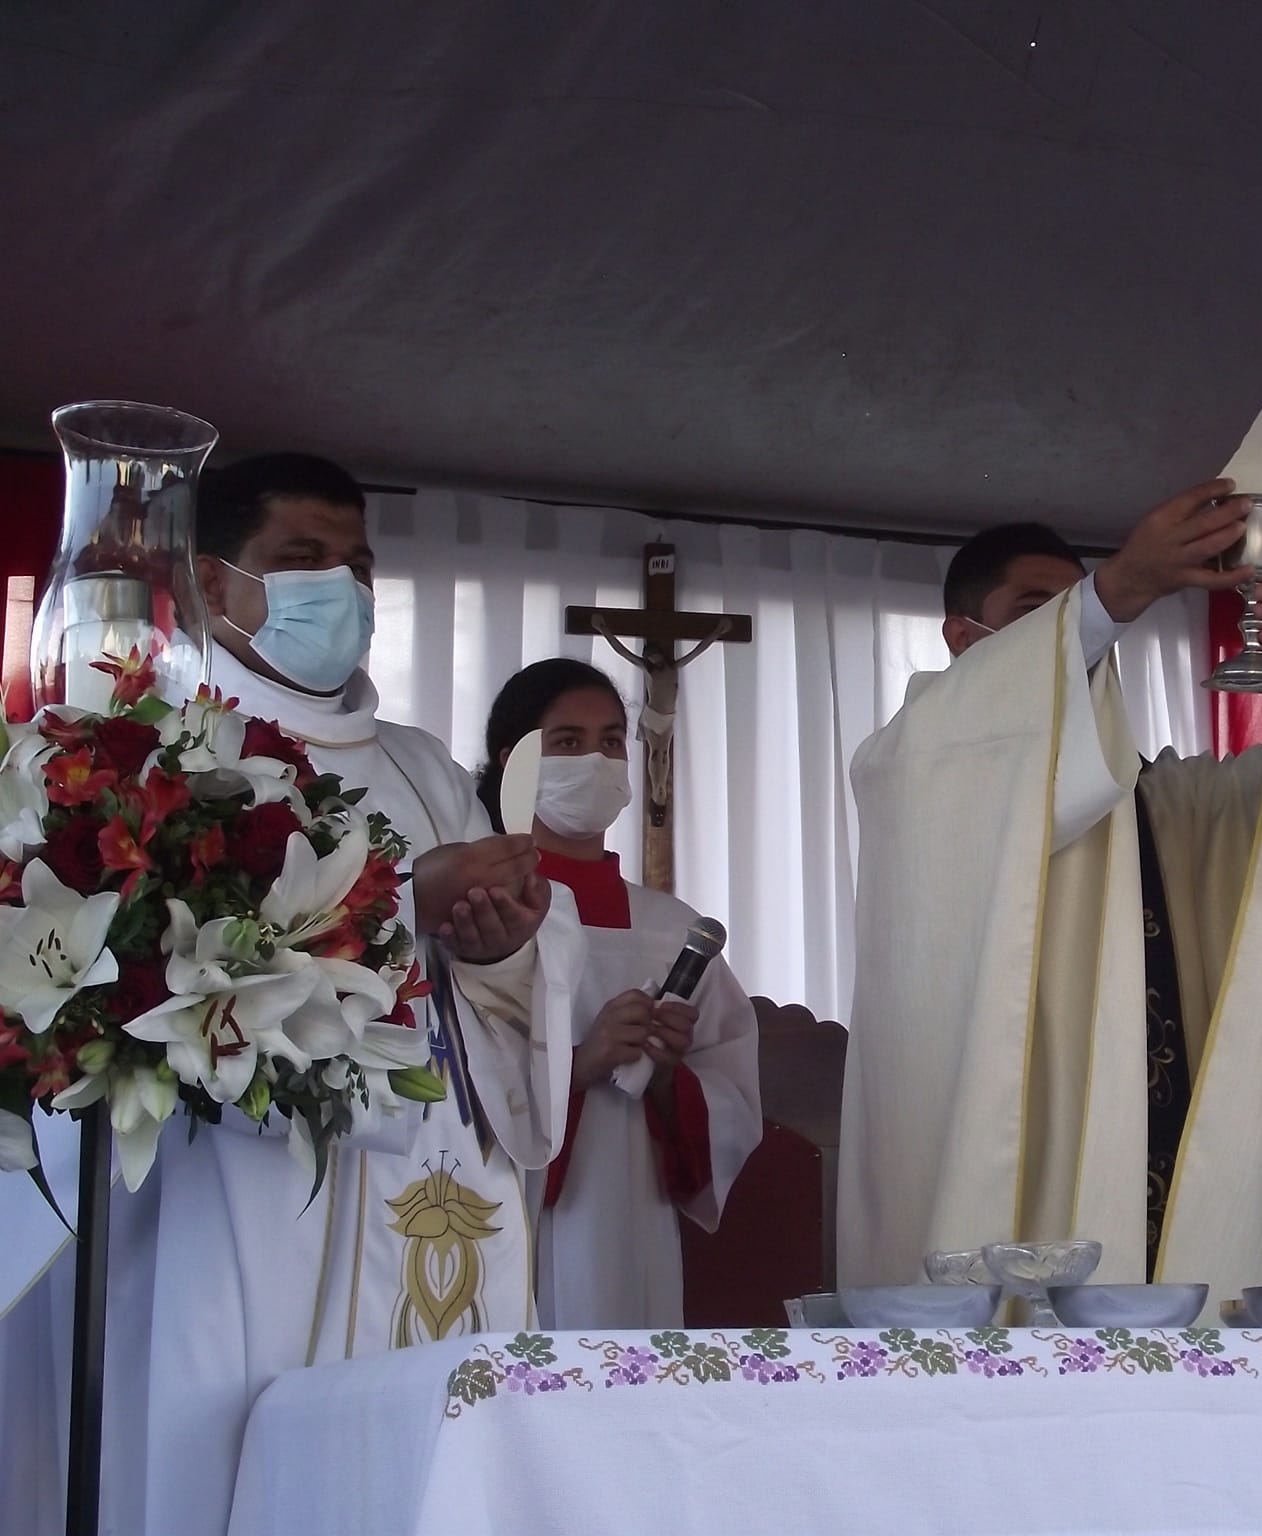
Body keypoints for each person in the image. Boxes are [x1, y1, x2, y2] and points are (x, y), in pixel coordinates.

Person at [0, 453, 584, 1536]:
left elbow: (505, 975)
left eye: (357, 564)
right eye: (303, 560)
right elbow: (149, 942)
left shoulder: (426, 771)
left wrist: (502, 950)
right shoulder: (157, 744)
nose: (344, 591)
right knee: (212, 1451)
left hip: (433, 1169)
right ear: (215, 585)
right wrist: (410, 897)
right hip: (233, 1198)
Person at [838, 480, 1262, 1308]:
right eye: (1043, 610)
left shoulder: (1164, 802)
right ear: (964, 637)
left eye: (1077, 611)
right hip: (1021, 1165)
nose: (1068, 632)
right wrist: (1118, 588)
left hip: (1164, 1165)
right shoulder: (915, 756)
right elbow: (994, 737)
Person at [478, 659, 760, 1328]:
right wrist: (578, 1064)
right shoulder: (480, 913)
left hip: (631, 1218)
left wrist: (667, 1078)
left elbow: (732, 1102)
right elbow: (447, 1084)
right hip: (506, 1222)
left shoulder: (673, 930)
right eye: (567, 743)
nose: (597, 761)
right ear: (512, 761)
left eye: (610, 742)